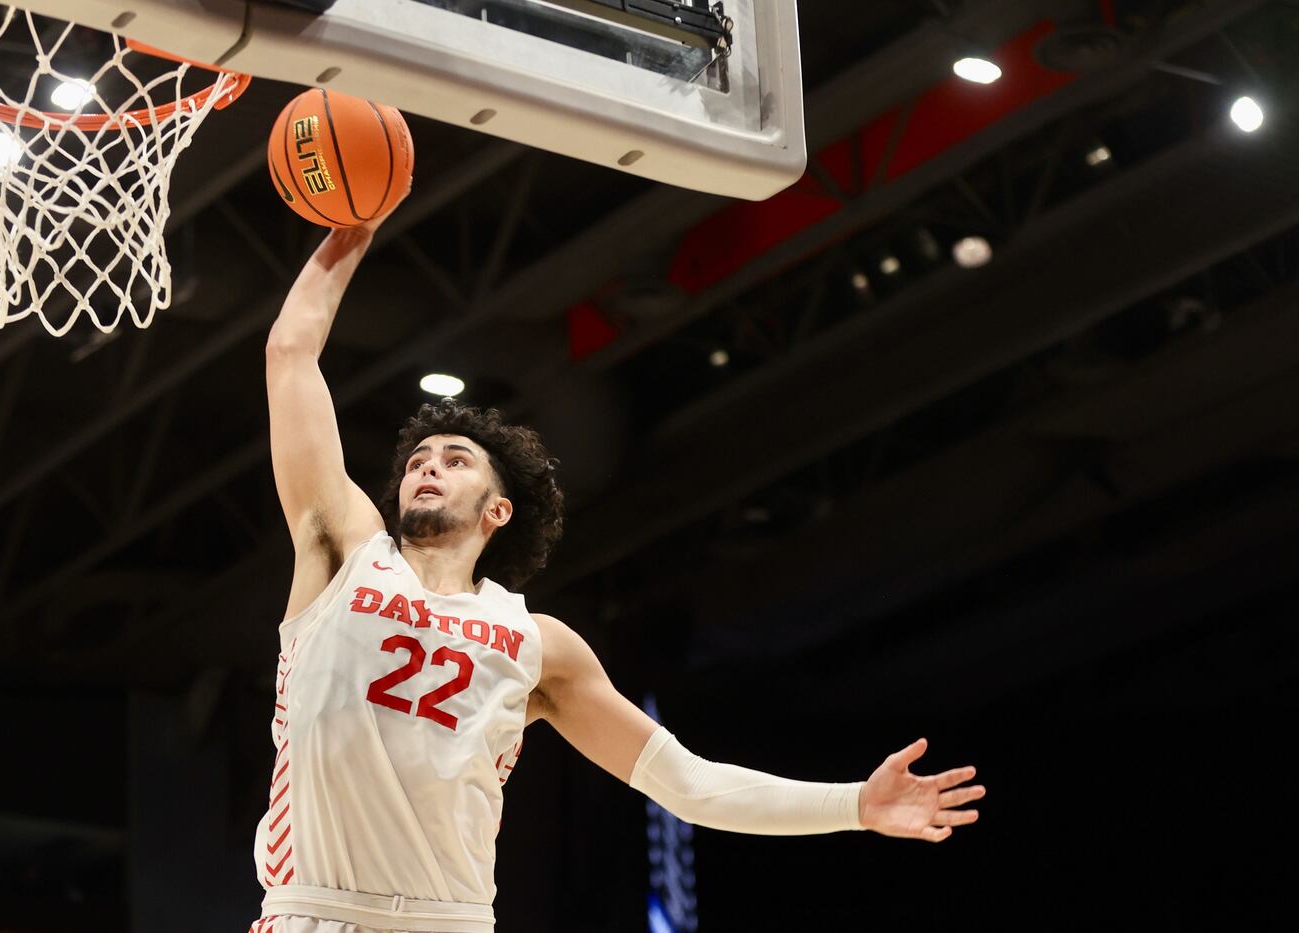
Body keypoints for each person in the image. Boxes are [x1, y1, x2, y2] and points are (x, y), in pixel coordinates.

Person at [251, 194, 986, 933]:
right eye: (417, 460)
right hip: (313, 912)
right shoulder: (346, 553)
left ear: (497, 511)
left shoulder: (539, 644)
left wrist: (853, 803)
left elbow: (688, 783)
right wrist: (356, 226)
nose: (427, 468)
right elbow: (290, 354)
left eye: (455, 459)